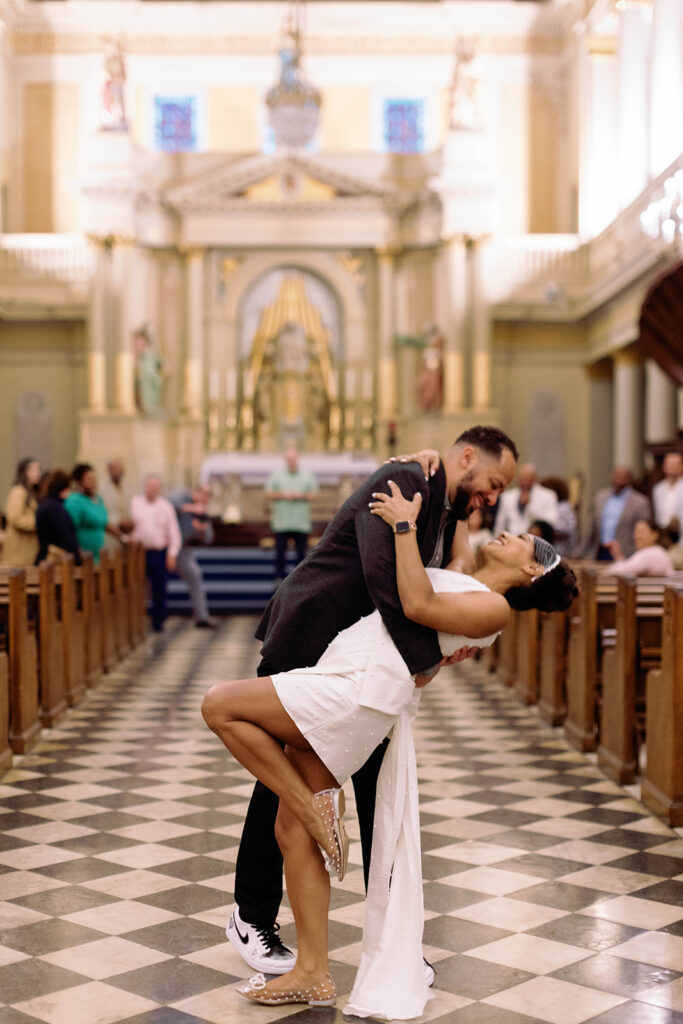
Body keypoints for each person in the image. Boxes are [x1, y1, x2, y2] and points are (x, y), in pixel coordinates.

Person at [202, 485, 578, 1018]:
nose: (513, 533)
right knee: (288, 830)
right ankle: (312, 971)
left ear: (532, 574)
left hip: (359, 693)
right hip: (351, 676)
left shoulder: (494, 610)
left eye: (526, 542)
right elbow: (460, 525)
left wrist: (403, 525)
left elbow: (417, 601)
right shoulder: (471, 577)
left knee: (220, 706)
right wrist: (446, 479)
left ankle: (316, 812)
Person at [220, 426, 519, 983]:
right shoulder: (405, 481)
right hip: (312, 635)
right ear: (469, 456)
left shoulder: (437, 499)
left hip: (362, 668)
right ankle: (251, 916)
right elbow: (387, 583)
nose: (493, 498)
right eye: (493, 483)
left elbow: (455, 574)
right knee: (279, 782)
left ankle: (396, 944)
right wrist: (426, 660)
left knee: (382, 795)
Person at [130, 474, 182, 632]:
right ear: (145, 486)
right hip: (139, 552)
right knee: (137, 587)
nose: (152, 489)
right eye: (150, 486)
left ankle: (158, 621)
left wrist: (172, 554)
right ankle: (136, 620)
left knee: (159, 587)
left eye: (155, 487)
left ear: (159, 489)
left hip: (159, 552)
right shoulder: (136, 503)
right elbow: (131, 526)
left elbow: (174, 533)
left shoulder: (166, 506)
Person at [265, 447, 319, 583]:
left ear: (298, 459)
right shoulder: (277, 474)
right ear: (285, 460)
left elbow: (315, 494)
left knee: (301, 554)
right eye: (289, 459)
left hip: (300, 522)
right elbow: (268, 492)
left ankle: (300, 580)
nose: (291, 462)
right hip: (282, 522)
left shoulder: (307, 475)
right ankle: (279, 579)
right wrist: (283, 494)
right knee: (280, 553)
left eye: (293, 459)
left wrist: (301, 496)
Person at [578, 466, 651, 560]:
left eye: (622, 476)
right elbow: (592, 525)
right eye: (616, 475)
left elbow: (643, 529)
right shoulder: (601, 497)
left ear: (629, 479)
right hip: (600, 549)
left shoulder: (640, 502)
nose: (618, 479)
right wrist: (581, 550)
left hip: (625, 551)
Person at [169, 483, 214, 628]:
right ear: (196, 493)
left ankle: (202, 618)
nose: (206, 499)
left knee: (195, 576)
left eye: (208, 496)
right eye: (204, 494)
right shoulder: (182, 497)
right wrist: (191, 507)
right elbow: (168, 504)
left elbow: (208, 538)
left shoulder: (202, 512)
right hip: (166, 546)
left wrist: (200, 531)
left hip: (183, 549)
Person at [493, 462, 558, 536]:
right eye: (522, 478)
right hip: (512, 540)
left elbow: (551, 522)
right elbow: (500, 523)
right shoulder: (507, 496)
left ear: (535, 478)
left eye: (528, 478)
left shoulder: (548, 495)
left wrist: (530, 507)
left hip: (535, 541)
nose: (525, 482)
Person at [64, 464, 109, 564]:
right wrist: (77, 551)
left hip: (98, 555)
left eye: (94, 479)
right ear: (79, 482)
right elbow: (69, 530)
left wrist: (123, 537)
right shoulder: (74, 501)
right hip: (83, 557)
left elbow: (104, 523)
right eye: (89, 480)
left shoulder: (98, 499)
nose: (93, 483)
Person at [1, 457, 41, 566]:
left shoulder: (30, 492)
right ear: (26, 472)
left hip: (28, 548)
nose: (38, 473)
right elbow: (15, 518)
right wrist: (38, 523)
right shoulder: (18, 491)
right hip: (19, 550)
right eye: (35, 470)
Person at [35, 470, 81, 564]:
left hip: (45, 556)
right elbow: (65, 535)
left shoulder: (44, 504)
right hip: (56, 559)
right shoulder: (55, 508)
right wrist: (77, 558)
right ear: (64, 489)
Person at [602, 518, 674, 577]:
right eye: (636, 532)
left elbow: (619, 571)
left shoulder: (651, 553)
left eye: (641, 532)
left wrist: (607, 570)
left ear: (655, 535)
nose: (637, 536)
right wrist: (618, 556)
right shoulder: (657, 551)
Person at [100, 459, 134, 551]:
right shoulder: (101, 488)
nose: (119, 472)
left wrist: (129, 521)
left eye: (121, 469)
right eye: (116, 469)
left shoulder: (127, 488)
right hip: (109, 534)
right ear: (109, 470)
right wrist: (119, 521)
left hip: (125, 534)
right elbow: (101, 513)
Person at [541, 475, 577, 557]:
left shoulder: (564, 507)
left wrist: (546, 528)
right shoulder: (547, 506)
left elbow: (569, 528)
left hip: (562, 550)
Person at [651, 451, 683, 532]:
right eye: (669, 464)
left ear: (681, 466)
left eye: (676, 464)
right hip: (664, 534)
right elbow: (658, 516)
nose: (672, 467)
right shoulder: (658, 489)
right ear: (664, 467)